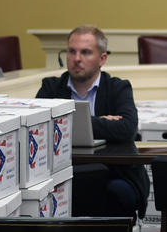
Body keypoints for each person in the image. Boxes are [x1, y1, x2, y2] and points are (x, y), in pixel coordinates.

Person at [37, 25, 146, 218]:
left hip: (113, 172)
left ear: (102, 59)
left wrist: (72, 123)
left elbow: (127, 128)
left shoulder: (118, 87)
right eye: (72, 51)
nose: (76, 58)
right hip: (62, 171)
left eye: (85, 52)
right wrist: (100, 122)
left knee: (118, 193)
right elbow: (38, 128)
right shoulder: (51, 88)